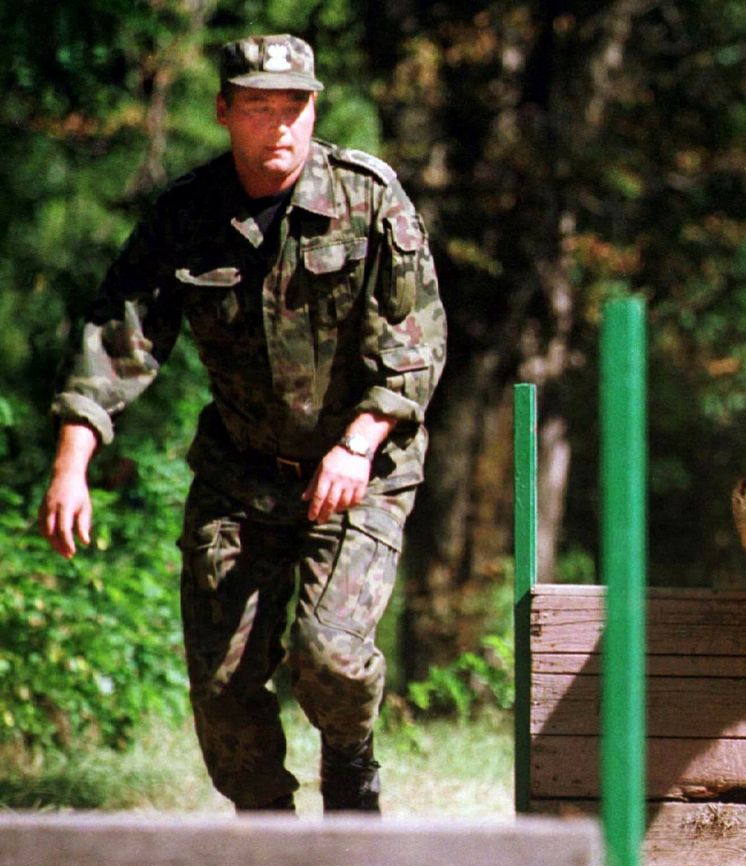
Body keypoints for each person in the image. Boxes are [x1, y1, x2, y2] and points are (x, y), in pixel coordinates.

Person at [38, 34, 446, 815]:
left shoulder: (367, 197)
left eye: (294, 107)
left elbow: (414, 347)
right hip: (241, 476)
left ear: (314, 108)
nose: (280, 127)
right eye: (259, 108)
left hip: (364, 469)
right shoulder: (188, 215)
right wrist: (71, 462)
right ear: (225, 111)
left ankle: (352, 766)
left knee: (328, 658)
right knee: (223, 695)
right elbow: (121, 339)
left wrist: (357, 445)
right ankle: (267, 846)